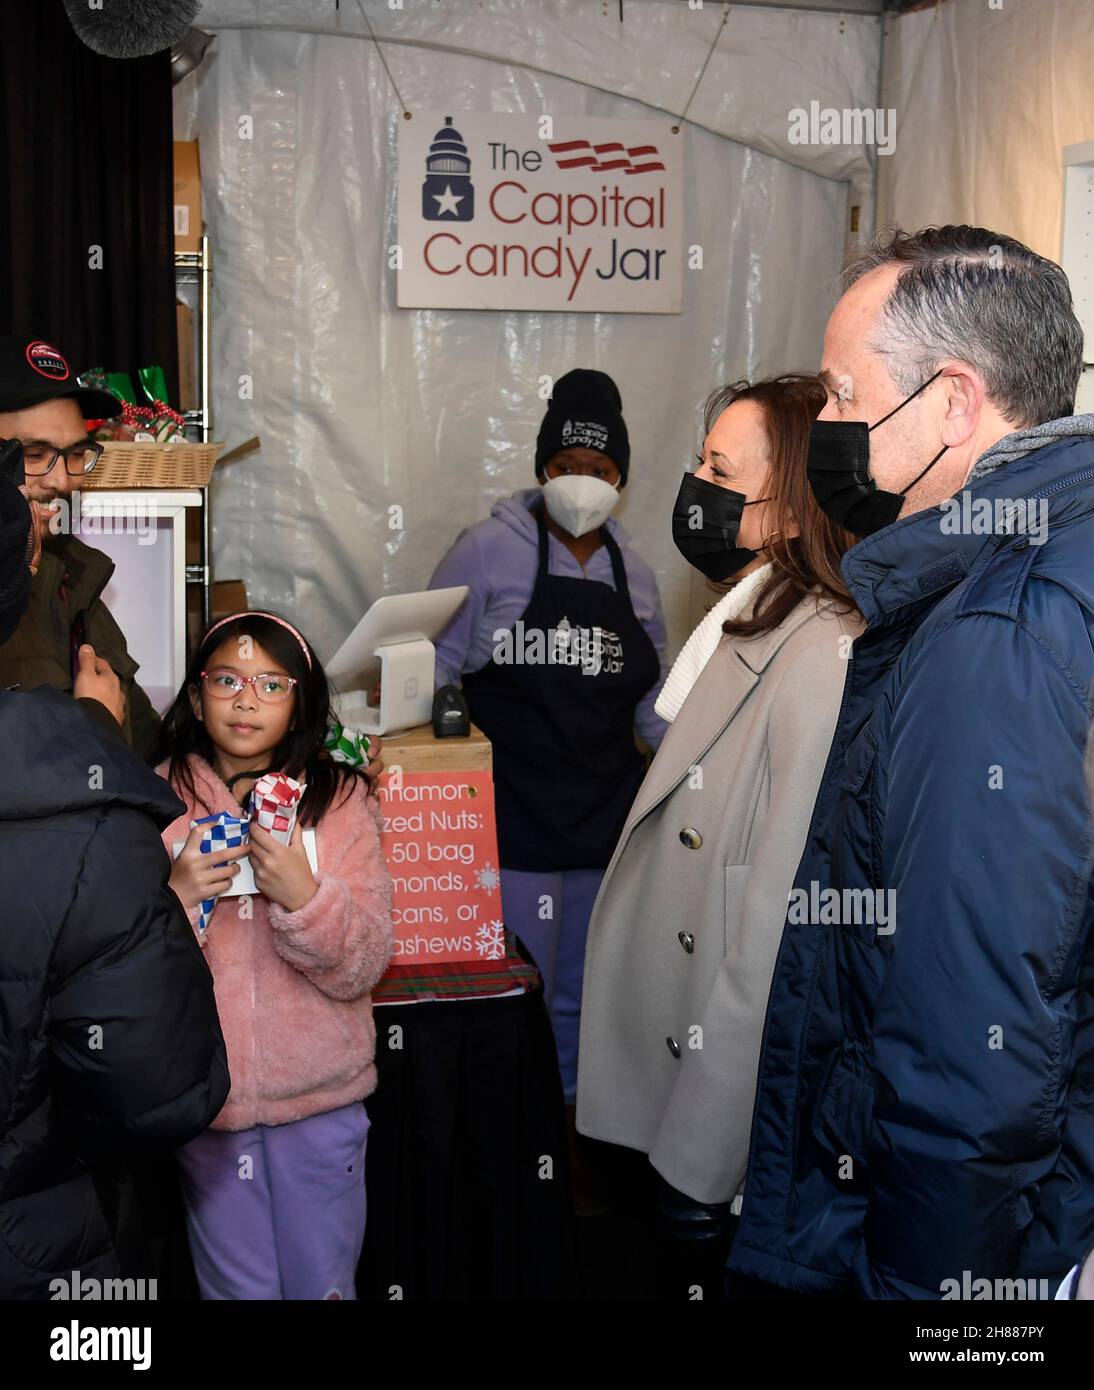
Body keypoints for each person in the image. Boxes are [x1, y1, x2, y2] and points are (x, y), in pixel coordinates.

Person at [729, 225, 1094, 1299]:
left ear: (950, 403)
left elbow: (970, 1042)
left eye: (842, 395)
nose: (826, 425)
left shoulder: (999, 625)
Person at [577, 375, 859, 1294]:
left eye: (718, 467)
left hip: (714, 1102)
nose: (694, 483)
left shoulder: (820, 649)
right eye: (701, 459)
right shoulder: (747, 615)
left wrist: (705, 1155)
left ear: (789, 507)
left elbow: (771, 929)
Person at [0, 455, 229, 1300]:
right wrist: (89, 736)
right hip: (42, 1212)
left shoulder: (77, 598)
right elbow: (160, 1086)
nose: (48, 490)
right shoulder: (81, 829)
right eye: (25, 466)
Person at [428, 368, 668, 1122]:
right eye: (567, 467)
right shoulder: (485, 550)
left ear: (621, 478)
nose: (581, 483)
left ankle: (564, 1139)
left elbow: (654, 703)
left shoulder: (639, 576)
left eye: (598, 471)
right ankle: (500, 1133)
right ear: (542, 469)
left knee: (583, 995)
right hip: (510, 824)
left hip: (603, 824)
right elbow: (431, 671)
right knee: (507, 986)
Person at [156, 610, 393, 1300]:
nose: (245, 698)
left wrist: (305, 897)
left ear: (302, 703)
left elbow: (367, 958)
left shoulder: (339, 799)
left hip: (322, 1100)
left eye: (271, 684)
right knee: (235, 1289)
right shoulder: (156, 796)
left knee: (323, 1283)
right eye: (226, 679)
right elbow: (129, 965)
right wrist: (176, 900)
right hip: (209, 1105)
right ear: (197, 697)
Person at [0, 333, 160, 758]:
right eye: (34, 453)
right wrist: (93, 721)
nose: (63, 480)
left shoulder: (73, 576)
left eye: (76, 454)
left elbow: (151, 752)